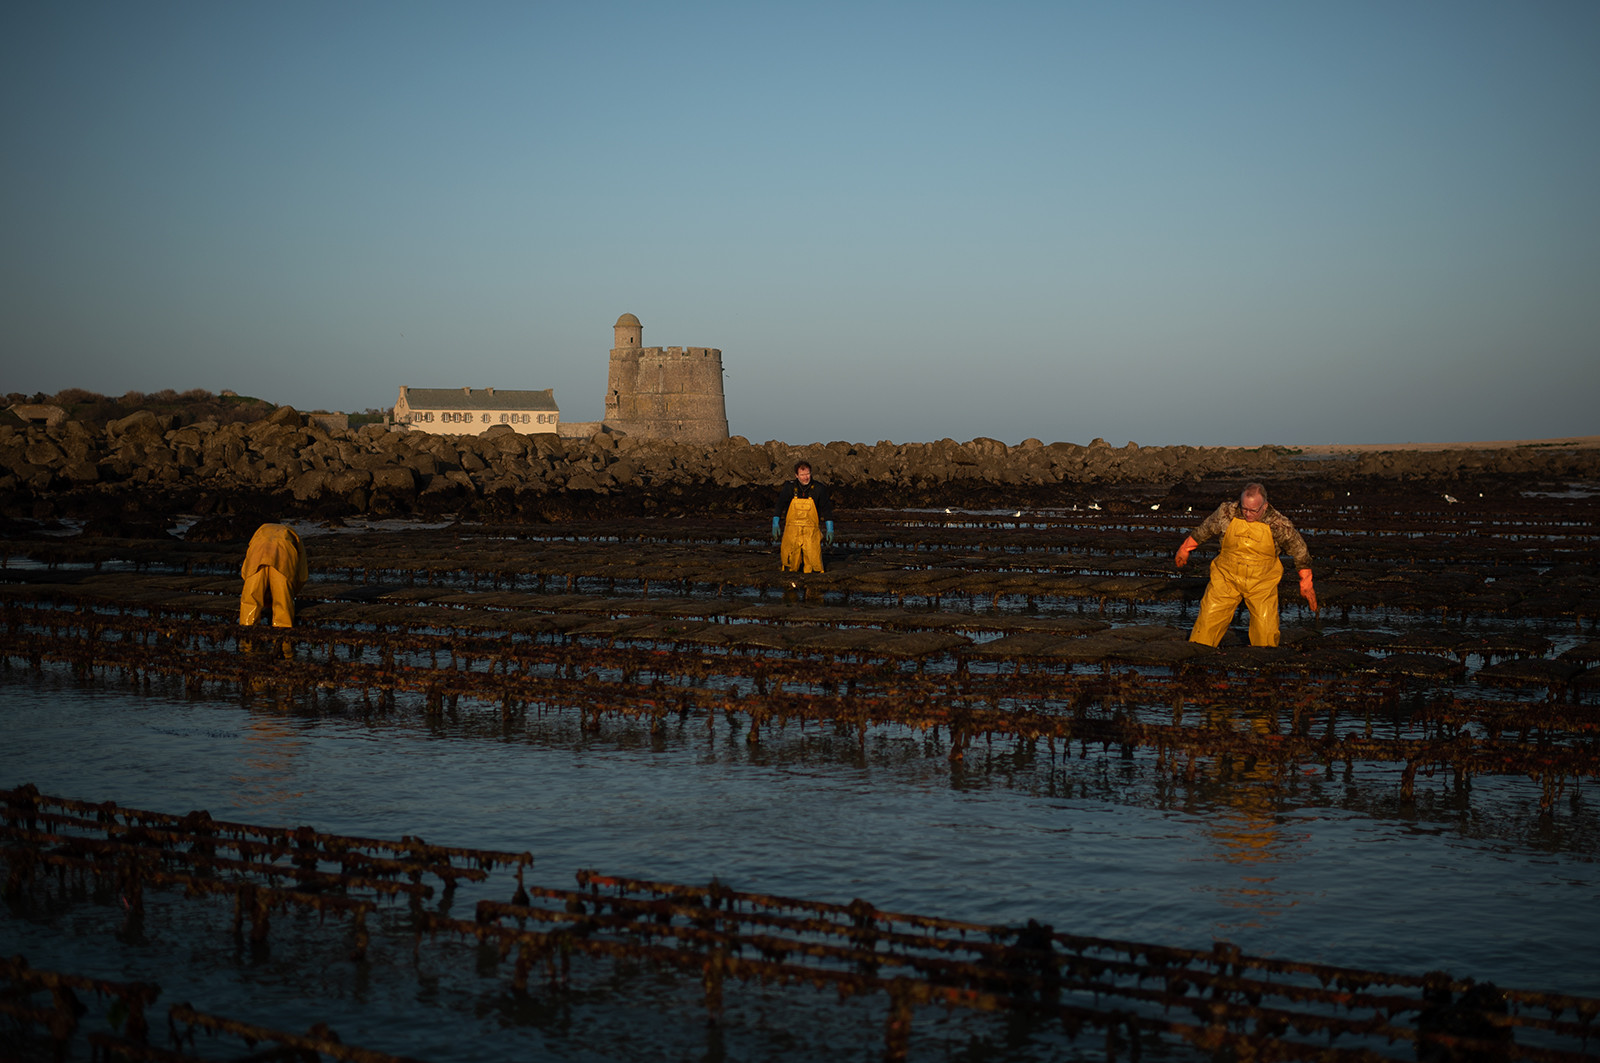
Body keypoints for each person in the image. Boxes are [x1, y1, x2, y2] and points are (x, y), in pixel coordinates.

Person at [1175, 482, 1316, 647]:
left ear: (1264, 506)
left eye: (1253, 510)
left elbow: (1299, 550)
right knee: (1205, 627)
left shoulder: (1279, 524)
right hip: (1225, 579)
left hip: (1261, 584)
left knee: (1266, 635)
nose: (1248, 514)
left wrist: (1306, 581)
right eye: (1245, 509)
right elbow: (1205, 530)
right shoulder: (1226, 513)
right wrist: (1185, 548)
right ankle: (1198, 657)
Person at [239, 523, 309, 627]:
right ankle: (282, 627)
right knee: (283, 600)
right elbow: (302, 575)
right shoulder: (291, 534)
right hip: (283, 554)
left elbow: (245, 572)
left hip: (258, 553)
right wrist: (291, 593)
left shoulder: (261, 530)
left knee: (251, 598)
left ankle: (247, 627)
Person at [772, 460, 835, 573]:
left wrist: (830, 528)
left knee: (814, 563)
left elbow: (826, 509)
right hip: (792, 530)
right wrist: (775, 522)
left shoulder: (819, 488)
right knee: (790, 562)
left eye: (807, 474)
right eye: (802, 475)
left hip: (811, 531)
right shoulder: (789, 487)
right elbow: (780, 505)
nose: (806, 477)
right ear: (796, 475)